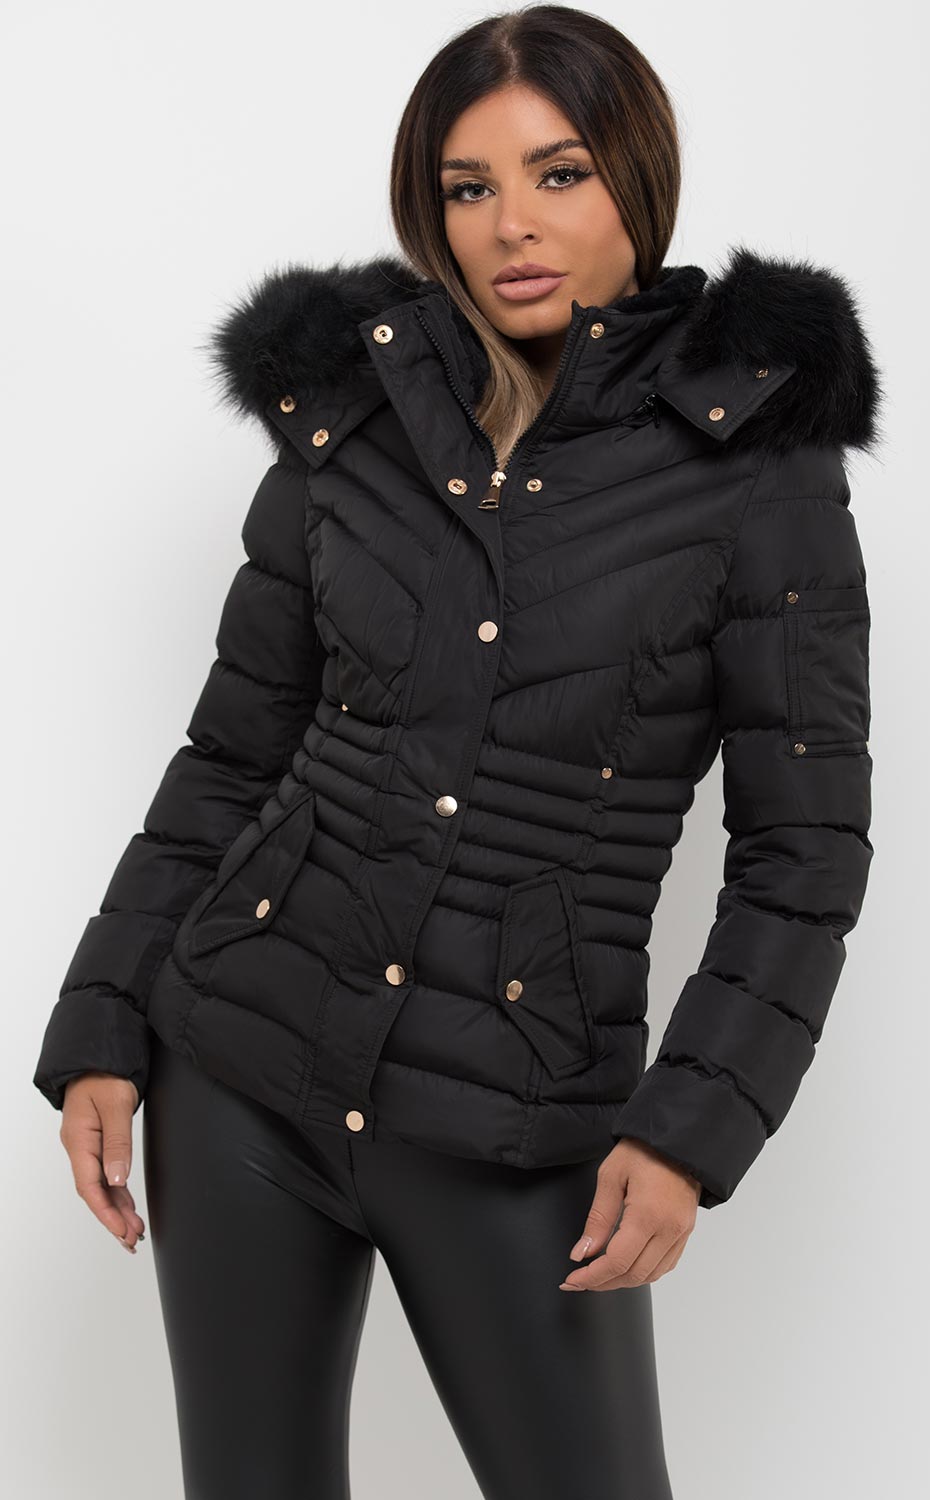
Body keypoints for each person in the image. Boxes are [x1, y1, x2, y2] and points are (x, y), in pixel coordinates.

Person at [32, 5, 881, 1497]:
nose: (511, 227)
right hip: (239, 1069)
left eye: (559, 174)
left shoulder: (759, 465)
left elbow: (801, 852)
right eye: (468, 188)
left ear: (637, 178)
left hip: (515, 1120)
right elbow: (232, 754)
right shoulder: (350, 416)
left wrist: (690, 1129)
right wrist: (104, 1016)